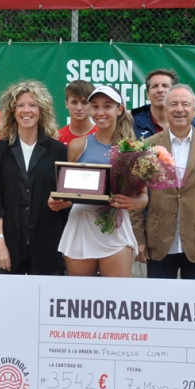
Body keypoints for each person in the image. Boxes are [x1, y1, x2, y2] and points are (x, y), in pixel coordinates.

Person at [130, 84, 195, 279]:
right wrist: (139, 239)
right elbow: (137, 196)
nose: (179, 109)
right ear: (165, 109)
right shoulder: (148, 145)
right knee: (158, 305)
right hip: (157, 242)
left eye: (185, 104)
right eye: (173, 104)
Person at [50, 85, 147, 277]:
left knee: (115, 298)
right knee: (80, 299)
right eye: (95, 106)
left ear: (119, 109)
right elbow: (68, 190)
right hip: (81, 223)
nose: (100, 112)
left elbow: (143, 197)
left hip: (116, 226)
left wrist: (132, 203)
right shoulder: (78, 145)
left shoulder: (133, 149)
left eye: (107, 106)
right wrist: (59, 201)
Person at [0, 81, 69, 276]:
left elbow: (69, 200)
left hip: (49, 249)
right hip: (8, 247)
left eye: (32, 105)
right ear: (12, 111)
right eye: (20, 105)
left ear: (41, 111)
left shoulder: (59, 151)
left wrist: (64, 202)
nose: (26, 110)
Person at [57, 79, 96, 145]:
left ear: (92, 105)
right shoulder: (57, 137)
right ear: (67, 104)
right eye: (74, 102)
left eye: (84, 103)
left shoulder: (101, 136)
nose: (79, 108)